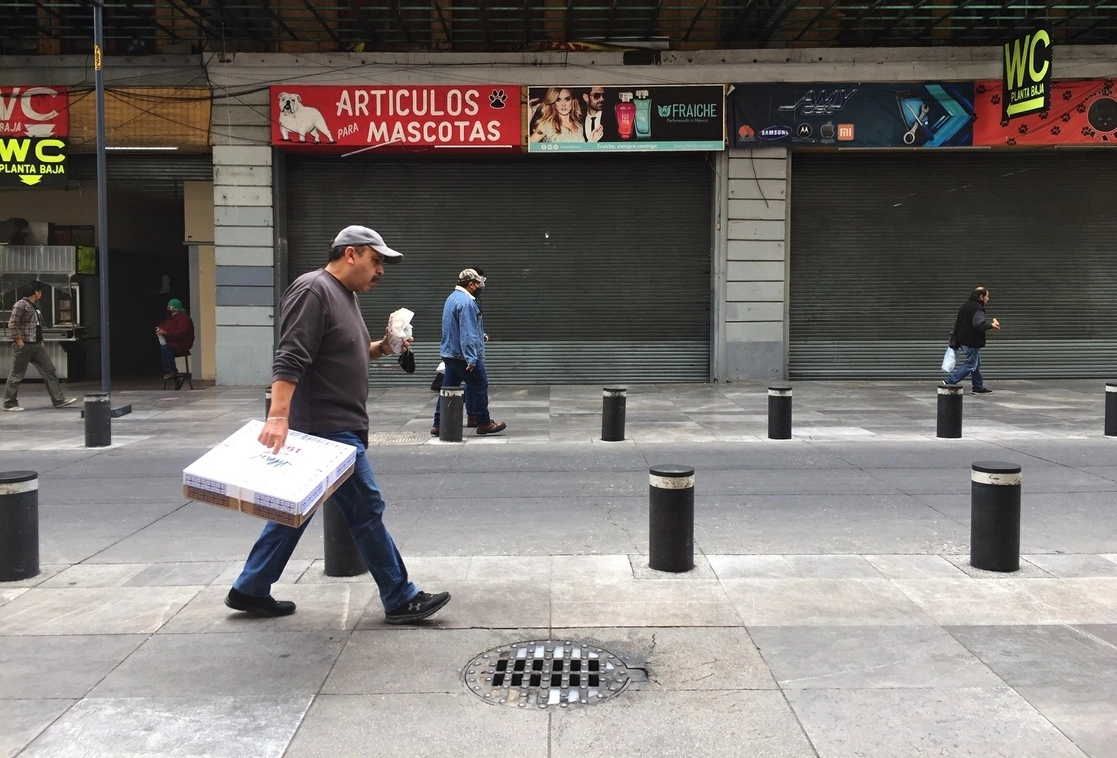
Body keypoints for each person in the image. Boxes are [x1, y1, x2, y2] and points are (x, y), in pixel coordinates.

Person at [225, 224, 450, 623]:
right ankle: (400, 597)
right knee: (366, 508)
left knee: (295, 509)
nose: (380, 270)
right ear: (351, 254)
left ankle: (250, 588)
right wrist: (278, 416)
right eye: (376, 260)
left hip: (336, 423)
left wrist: (384, 347)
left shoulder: (343, 296)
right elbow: (291, 356)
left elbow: (342, 352)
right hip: (326, 427)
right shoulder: (314, 290)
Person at [431, 268, 506, 437]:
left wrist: (481, 335)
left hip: (450, 354)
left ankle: (438, 424)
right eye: (480, 283)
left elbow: (457, 328)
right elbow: (467, 332)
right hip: (463, 355)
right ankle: (483, 422)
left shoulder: (452, 298)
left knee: (448, 389)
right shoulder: (466, 302)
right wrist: (471, 358)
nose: (482, 286)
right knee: (480, 384)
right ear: (471, 284)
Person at [4, 281, 76, 412]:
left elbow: (36, 326)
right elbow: (12, 323)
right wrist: (19, 341)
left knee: (49, 370)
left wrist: (40, 340)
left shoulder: (34, 306)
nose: (41, 294)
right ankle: (10, 403)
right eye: (40, 291)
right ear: (36, 292)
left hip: (36, 345)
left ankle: (58, 400)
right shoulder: (21, 304)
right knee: (17, 374)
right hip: (24, 344)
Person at [944, 285, 1001, 394]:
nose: (988, 299)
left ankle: (978, 387)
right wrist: (991, 325)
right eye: (987, 296)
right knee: (971, 364)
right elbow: (979, 324)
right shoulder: (977, 308)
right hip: (971, 341)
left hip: (963, 339)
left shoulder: (966, 305)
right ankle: (949, 381)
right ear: (981, 297)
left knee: (976, 364)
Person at [155, 298, 195, 380]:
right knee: (163, 348)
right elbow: (166, 325)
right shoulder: (172, 317)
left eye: (170, 307)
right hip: (173, 341)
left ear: (175, 308)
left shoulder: (183, 318)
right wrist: (160, 330)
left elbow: (181, 331)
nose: (168, 309)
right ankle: (170, 371)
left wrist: (166, 333)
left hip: (181, 342)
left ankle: (171, 371)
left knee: (165, 348)